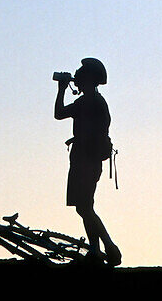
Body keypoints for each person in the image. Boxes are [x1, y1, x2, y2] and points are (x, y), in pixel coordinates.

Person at [54, 57, 121, 267]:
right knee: (84, 207)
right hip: (86, 159)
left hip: (85, 160)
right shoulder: (92, 101)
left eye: (81, 74)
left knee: (84, 207)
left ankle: (108, 247)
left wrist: (62, 89)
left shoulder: (89, 101)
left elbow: (59, 113)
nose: (78, 77)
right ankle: (97, 249)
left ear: (90, 78)